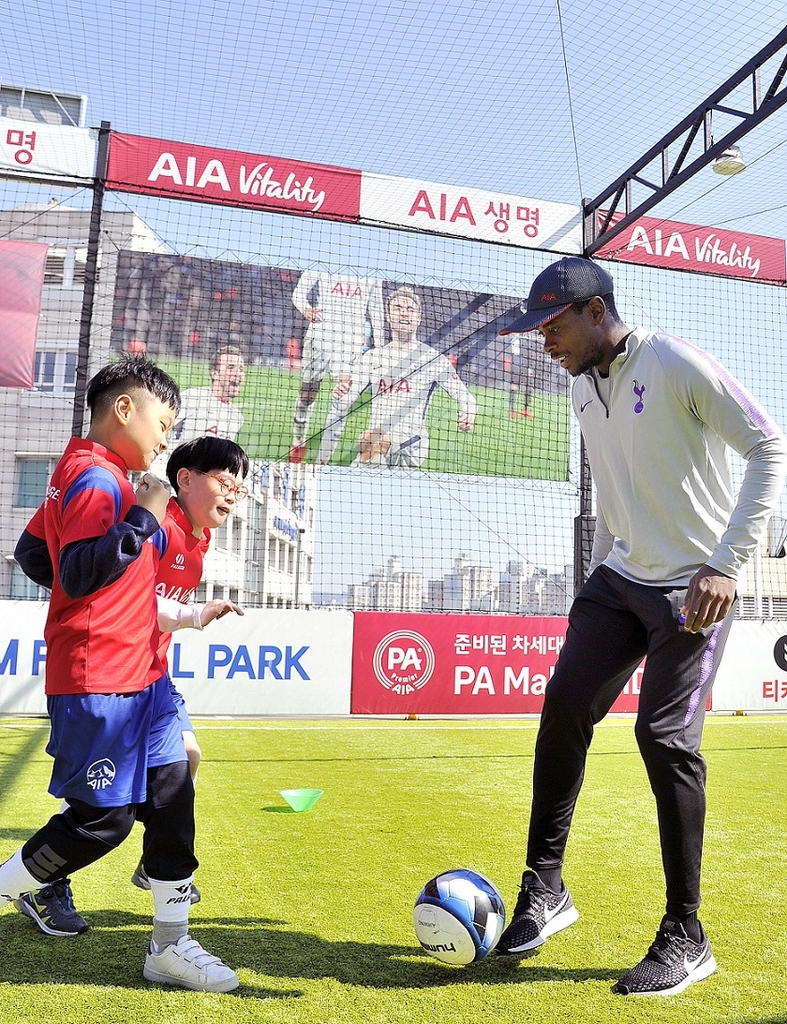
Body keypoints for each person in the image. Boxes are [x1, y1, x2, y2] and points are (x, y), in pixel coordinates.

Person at [496, 256, 787, 996]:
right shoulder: (580, 391)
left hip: (693, 590)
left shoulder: (672, 362)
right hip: (617, 580)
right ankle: (544, 888)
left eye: (551, 326)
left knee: (661, 738)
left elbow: (767, 445)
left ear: (596, 312)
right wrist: (594, 579)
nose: (543, 342)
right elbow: (617, 496)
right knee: (564, 704)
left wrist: (724, 565)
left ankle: (686, 936)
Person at [2, 356, 239, 993]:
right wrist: (143, 515)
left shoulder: (98, 477)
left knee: (172, 795)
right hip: (99, 676)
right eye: (164, 421)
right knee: (100, 821)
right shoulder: (97, 480)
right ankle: (18, 888)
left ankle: (169, 946)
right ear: (124, 410)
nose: (165, 437)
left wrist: (111, 599)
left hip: (143, 681)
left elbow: (36, 554)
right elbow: (76, 572)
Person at [336, 286, 476, 468]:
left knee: (371, 440)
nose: (404, 314)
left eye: (410, 310)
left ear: (418, 318)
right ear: (388, 316)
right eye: (397, 308)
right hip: (377, 443)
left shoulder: (432, 359)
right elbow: (344, 402)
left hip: (411, 446)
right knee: (369, 441)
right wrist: (339, 394)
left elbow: (466, 397)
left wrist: (469, 412)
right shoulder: (371, 357)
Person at [289, 270, 385, 464]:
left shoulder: (375, 271)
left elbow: (376, 307)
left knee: (341, 399)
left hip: (351, 340)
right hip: (320, 335)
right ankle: (298, 442)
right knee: (307, 395)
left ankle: (322, 461)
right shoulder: (322, 260)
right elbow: (298, 293)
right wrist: (306, 308)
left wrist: (381, 347)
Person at [171, 344, 245, 443]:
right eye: (230, 367)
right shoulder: (192, 398)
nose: (238, 373)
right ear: (214, 373)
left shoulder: (236, 417)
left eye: (241, 369)